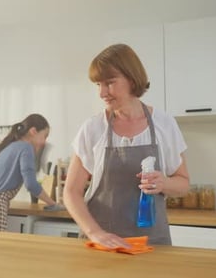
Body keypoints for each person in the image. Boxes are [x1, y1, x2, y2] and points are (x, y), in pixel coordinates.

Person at [63, 44, 190, 248]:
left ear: (132, 79)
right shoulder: (93, 128)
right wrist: (94, 232)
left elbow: (183, 184)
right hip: (103, 245)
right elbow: (71, 192)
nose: (102, 93)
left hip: (152, 245)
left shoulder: (164, 124)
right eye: (98, 84)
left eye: (110, 83)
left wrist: (164, 183)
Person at [0, 113, 59, 231]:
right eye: (45, 136)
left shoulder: (3, 146)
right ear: (33, 131)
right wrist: (53, 203)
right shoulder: (26, 148)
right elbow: (31, 184)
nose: (44, 142)